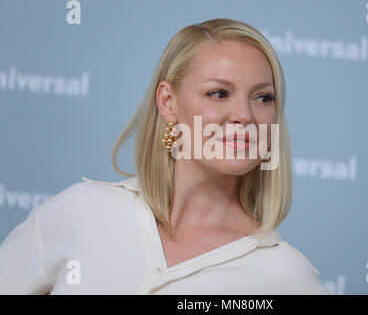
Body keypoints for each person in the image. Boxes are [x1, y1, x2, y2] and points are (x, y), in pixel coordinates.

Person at [0, 18, 330, 295]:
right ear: (168, 101)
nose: (244, 114)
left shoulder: (287, 277)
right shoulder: (82, 211)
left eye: (263, 97)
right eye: (219, 93)